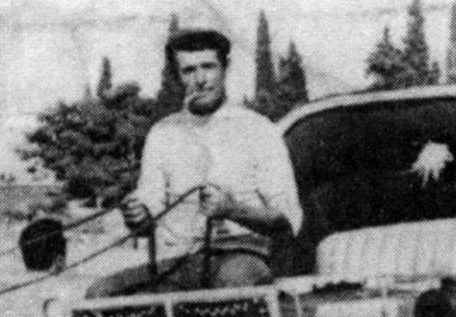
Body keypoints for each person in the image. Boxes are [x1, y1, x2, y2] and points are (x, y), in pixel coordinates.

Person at [89, 27, 303, 297]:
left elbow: (286, 219)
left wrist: (232, 209)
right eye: (188, 70)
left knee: (231, 286)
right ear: (177, 76)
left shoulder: (258, 129)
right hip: (177, 262)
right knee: (101, 294)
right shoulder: (162, 133)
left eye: (208, 67)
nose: (200, 80)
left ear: (225, 67)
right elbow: (147, 216)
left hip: (242, 256)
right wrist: (137, 215)